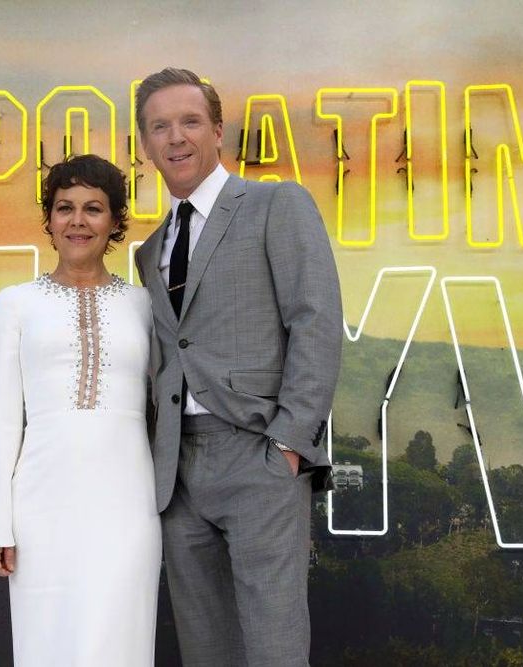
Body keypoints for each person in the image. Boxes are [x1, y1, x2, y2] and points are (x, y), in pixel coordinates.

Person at [133, 68, 343, 666]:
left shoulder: (276, 204)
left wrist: (289, 443)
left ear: (218, 130)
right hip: (176, 472)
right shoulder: (149, 251)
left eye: (190, 121)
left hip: (259, 455)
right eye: (160, 126)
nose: (176, 137)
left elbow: (316, 320)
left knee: (274, 647)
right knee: (206, 650)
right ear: (146, 145)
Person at [0, 154, 161, 666]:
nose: (78, 221)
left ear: (116, 221)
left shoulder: (145, 306)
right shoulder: (16, 303)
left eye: (93, 208)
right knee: (46, 644)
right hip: (41, 507)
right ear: (49, 221)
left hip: (130, 505)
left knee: (122, 639)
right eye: (64, 208)